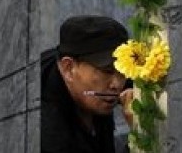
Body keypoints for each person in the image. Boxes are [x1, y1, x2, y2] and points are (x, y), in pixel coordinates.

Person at [41, 15, 133, 153]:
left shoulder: (93, 84)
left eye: (123, 71)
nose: (117, 84)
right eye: (107, 71)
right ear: (68, 68)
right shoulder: (48, 134)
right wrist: (141, 132)